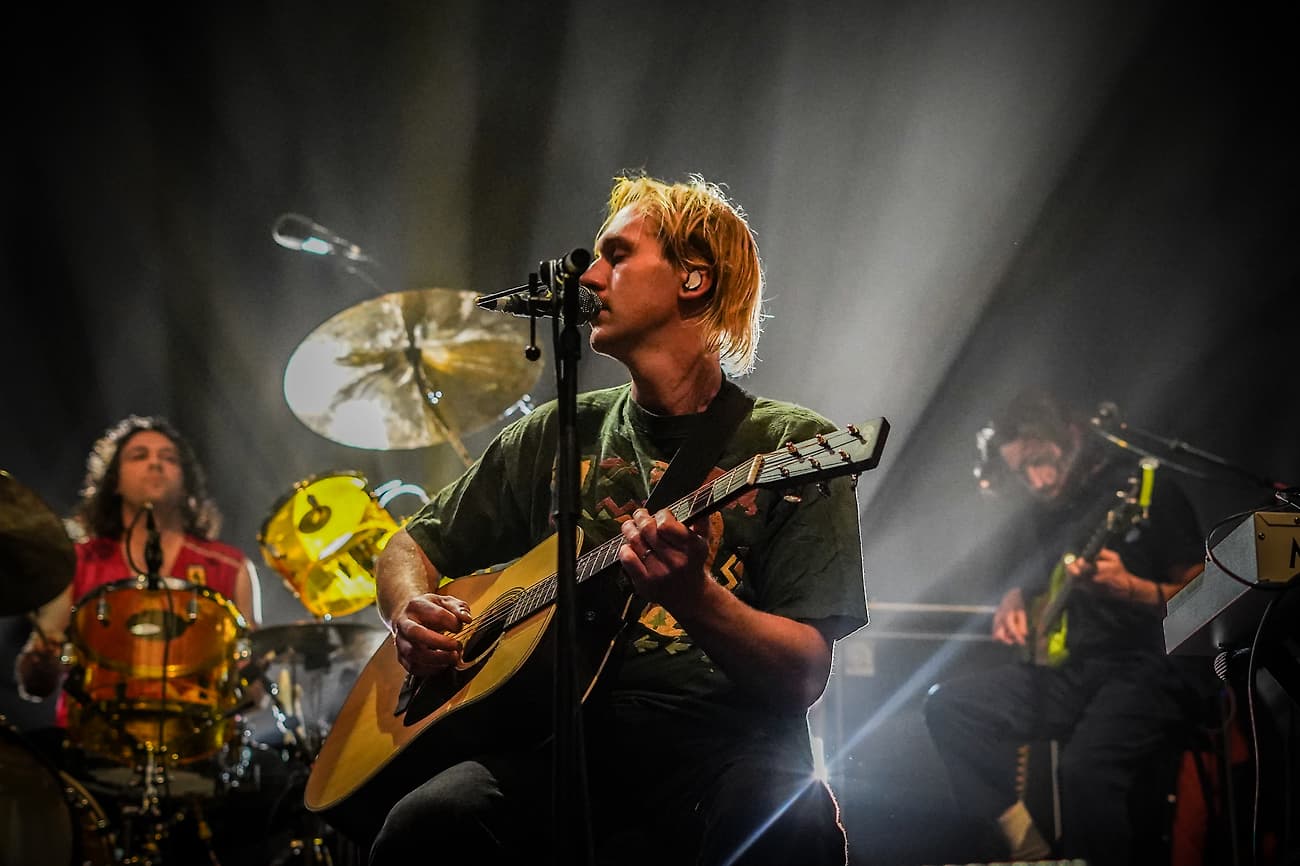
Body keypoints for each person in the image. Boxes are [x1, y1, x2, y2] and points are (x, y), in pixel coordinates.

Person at [364, 173, 867, 866]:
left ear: (693, 279)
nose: (591, 274)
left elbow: (805, 676)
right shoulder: (556, 433)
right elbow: (405, 545)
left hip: (725, 750)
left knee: (785, 822)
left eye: (617, 254)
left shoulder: (793, 447)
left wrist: (696, 599)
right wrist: (408, 610)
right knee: (423, 827)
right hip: (563, 742)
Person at [923, 389, 1220, 865]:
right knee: (950, 708)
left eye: (1040, 461)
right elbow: (1037, 580)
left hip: (1154, 668)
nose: (1036, 481)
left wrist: (1133, 589)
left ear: (1073, 434)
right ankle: (1028, 852)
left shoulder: (1145, 486)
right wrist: (1015, 600)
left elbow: (1206, 594)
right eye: (1022, 473)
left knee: (1085, 771)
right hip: (1080, 671)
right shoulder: (1049, 509)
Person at [16, 414, 261, 724]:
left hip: (199, 744)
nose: (155, 464)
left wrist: (256, 676)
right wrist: (41, 663)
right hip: (93, 744)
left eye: (168, 458)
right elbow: (35, 683)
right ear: (113, 480)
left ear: (185, 480)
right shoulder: (77, 561)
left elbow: (253, 690)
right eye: (139, 456)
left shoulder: (231, 566)